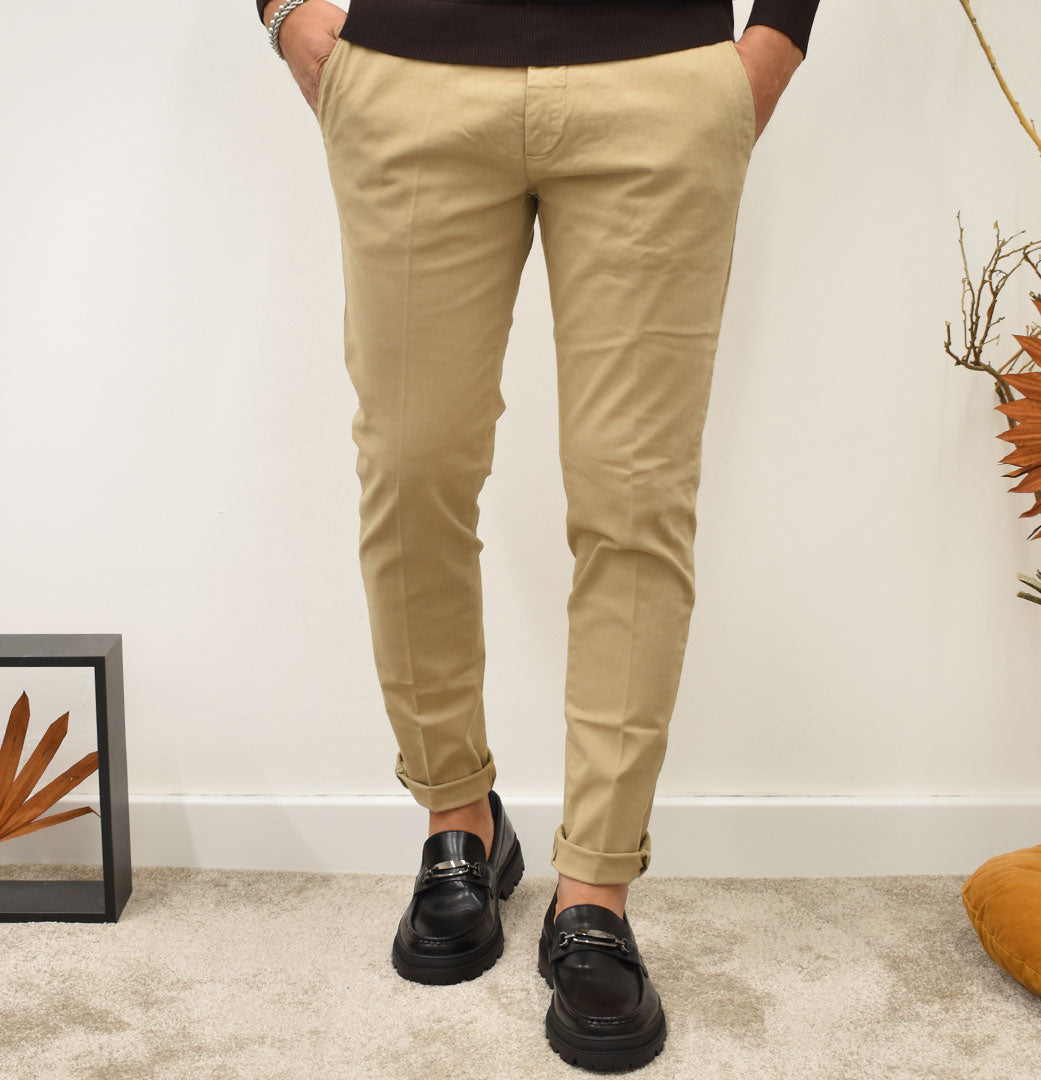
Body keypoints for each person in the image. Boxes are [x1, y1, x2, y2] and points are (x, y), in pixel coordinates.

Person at [257, 0, 819, 1070]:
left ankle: (595, 888)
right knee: (411, 468)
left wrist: (779, 37)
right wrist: (282, 11)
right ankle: (457, 817)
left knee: (634, 498)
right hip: (411, 73)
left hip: (659, 76)